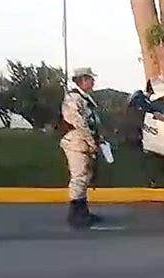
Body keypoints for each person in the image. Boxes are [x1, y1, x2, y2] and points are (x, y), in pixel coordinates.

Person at [59, 67, 102, 228]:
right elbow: (80, 123)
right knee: (78, 177)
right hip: (75, 143)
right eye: (91, 79)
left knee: (84, 177)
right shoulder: (73, 99)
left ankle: (83, 212)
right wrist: (92, 143)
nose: (93, 82)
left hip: (83, 143)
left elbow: (92, 122)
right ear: (82, 80)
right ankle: (75, 215)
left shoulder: (85, 98)